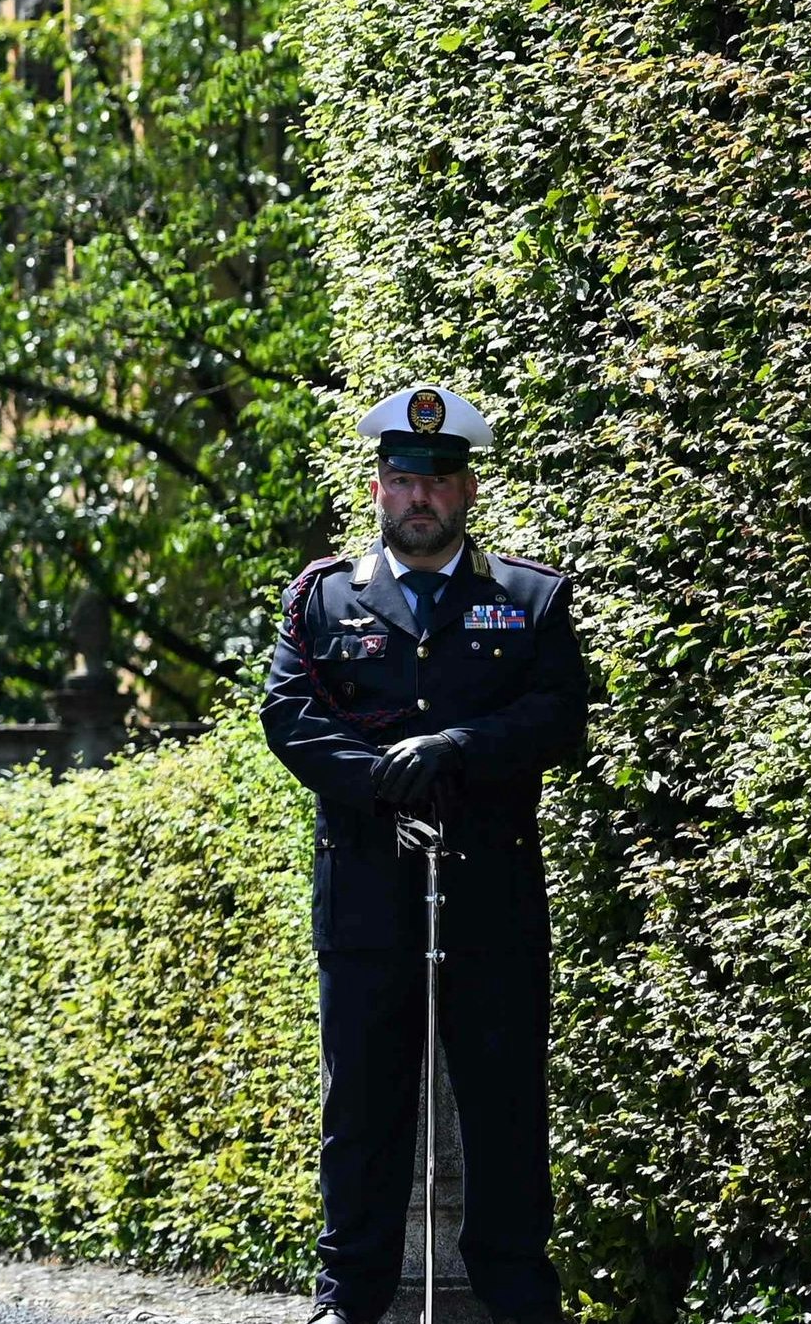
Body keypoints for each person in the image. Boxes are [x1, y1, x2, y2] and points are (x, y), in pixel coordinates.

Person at [262, 384, 590, 1324]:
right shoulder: (324, 600)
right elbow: (287, 714)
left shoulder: (527, 599)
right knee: (361, 1105)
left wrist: (457, 750)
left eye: (438, 484)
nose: (420, 499)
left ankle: (519, 1295)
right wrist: (379, 780)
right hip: (367, 887)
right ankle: (348, 1295)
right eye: (404, 481)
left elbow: (558, 714)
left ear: (468, 492)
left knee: (505, 1102)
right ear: (377, 489)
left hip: (490, 890)